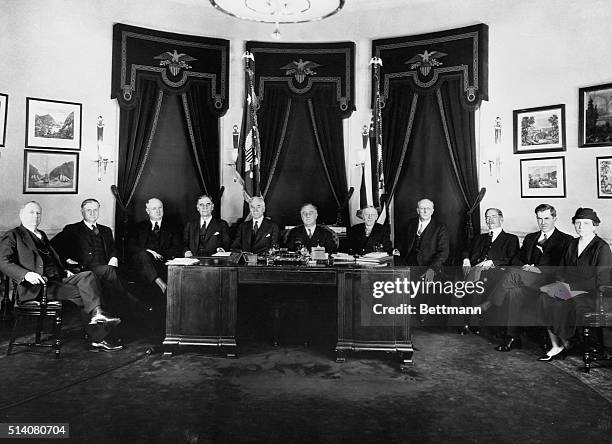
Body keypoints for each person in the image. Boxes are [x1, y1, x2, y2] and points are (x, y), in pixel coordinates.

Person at [0, 201, 122, 352]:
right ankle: (98, 338)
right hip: (36, 286)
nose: (35, 216)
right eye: (31, 212)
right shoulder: (13, 235)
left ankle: (97, 315)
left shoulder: (41, 235)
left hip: (56, 280)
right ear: (21, 215)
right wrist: (25, 274)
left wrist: (64, 270)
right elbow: (2, 261)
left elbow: (52, 259)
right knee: (86, 293)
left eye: (38, 213)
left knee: (88, 276)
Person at [484, 204, 573, 351]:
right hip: (526, 280)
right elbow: (517, 260)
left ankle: (490, 302)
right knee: (514, 291)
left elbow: (563, 267)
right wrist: (526, 266)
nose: (543, 222)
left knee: (513, 274)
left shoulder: (566, 240)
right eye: (539, 218)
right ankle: (512, 337)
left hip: (548, 281)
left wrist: (537, 269)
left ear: (555, 218)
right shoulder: (531, 238)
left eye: (547, 218)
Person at [51, 198, 151, 315]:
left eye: (95, 210)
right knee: (110, 272)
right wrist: (66, 260)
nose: (92, 213)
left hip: (106, 268)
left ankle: (116, 313)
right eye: (89, 210)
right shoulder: (72, 229)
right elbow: (52, 246)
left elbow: (113, 249)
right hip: (86, 270)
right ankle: (134, 304)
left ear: (99, 211)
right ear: (82, 212)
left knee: (115, 274)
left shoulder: (106, 230)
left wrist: (114, 258)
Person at [537, 208, 612, 361]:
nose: (580, 227)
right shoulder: (572, 243)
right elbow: (562, 269)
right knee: (544, 296)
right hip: (568, 289)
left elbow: (601, 280)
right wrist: (559, 284)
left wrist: (571, 288)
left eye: (585, 223)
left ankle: (567, 342)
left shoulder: (601, 247)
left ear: (594, 225)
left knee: (559, 302)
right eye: (577, 223)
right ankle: (557, 344)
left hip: (591, 294)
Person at [456, 207, 519, 334]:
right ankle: (468, 321)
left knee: (478, 281)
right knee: (466, 279)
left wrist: (493, 262)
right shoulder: (479, 237)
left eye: (493, 217)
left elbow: (512, 259)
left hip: (496, 272)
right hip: (475, 269)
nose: (490, 220)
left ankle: (475, 320)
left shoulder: (510, 238)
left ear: (501, 219)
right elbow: (466, 250)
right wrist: (466, 259)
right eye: (487, 217)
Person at [127, 197, 182, 294]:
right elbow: (131, 246)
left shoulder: (173, 227)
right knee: (142, 254)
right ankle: (162, 285)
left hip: (164, 262)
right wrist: (150, 252)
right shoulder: (139, 227)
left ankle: (160, 285)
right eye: (154, 209)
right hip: (142, 265)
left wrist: (161, 255)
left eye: (160, 208)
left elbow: (177, 248)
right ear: (147, 211)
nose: (158, 211)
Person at [400, 198, 449, 282]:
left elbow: (443, 252)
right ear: (418, 210)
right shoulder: (410, 224)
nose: (425, 211)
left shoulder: (440, 227)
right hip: (408, 268)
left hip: (430, 267)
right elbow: (402, 243)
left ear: (432, 211)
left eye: (428, 208)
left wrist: (432, 269)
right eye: (422, 208)